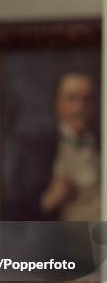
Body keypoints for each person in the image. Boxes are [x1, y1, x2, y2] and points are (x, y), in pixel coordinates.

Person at [40, 72, 100, 220]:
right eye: (72, 99)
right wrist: (49, 200)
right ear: (57, 104)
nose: (80, 107)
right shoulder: (38, 147)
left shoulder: (101, 141)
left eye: (87, 99)